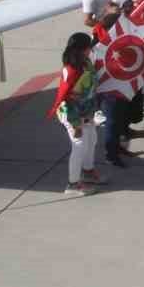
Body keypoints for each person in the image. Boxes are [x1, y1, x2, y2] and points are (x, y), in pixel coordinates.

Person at [51, 33, 105, 195]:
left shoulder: (86, 63)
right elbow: (66, 100)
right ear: (82, 50)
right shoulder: (71, 70)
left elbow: (90, 90)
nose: (91, 49)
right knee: (79, 145)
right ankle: (73, 184)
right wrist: (75, 124)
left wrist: (91, 114)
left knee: (91, 140)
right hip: (71, 113)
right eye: (89, 47)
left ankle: (88, 172)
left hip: (85, 111)